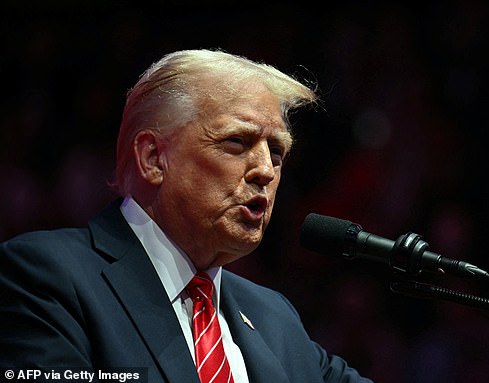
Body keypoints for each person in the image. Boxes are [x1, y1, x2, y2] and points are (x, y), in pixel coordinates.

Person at [0, 49, 374, 383]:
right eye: (236, 142)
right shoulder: (47, 278)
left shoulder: (276, 318)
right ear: (153, 158)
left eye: (276, 152)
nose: (266, 170)